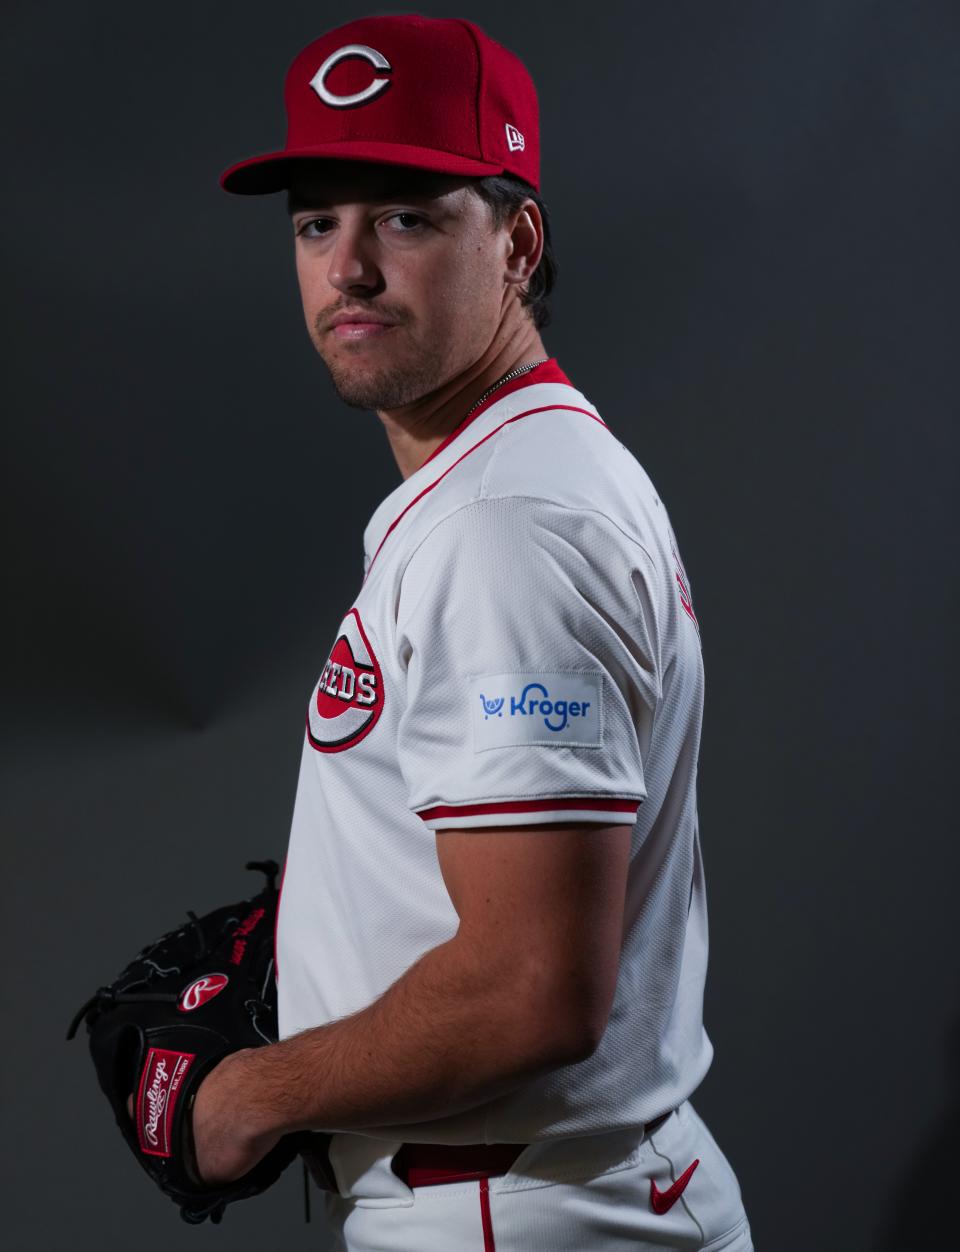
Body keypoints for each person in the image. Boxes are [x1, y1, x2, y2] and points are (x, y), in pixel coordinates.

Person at [196, 13, 753, 1251]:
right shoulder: (521, 469)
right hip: (565, 1191)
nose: (347, 267)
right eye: (314, 221)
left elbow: (532, 987)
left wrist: (250, 1095)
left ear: (517, 241)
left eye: (404, 215)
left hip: (513, 1207)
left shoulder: (504, 525)